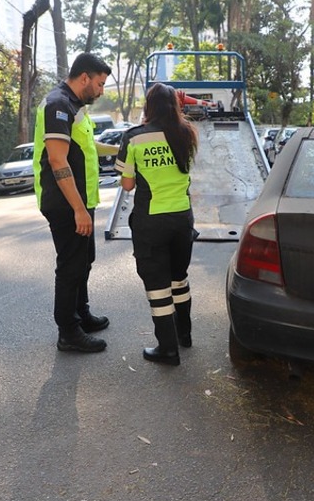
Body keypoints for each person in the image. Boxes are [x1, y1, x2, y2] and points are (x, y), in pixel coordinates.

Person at [33, 52, 114, 353]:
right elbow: (57, 160)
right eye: (100, 84)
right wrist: (79, 209)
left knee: (84, 260)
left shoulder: (73, 105)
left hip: (81, 199)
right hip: (66, 203)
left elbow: (87, 145)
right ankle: (68, 331)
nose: (101, 91)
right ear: (84, 78)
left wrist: (121, 149)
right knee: (70, 266)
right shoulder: (59, 104)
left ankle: (82, 314)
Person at [115, 82, 199, 366]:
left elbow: (127, 185)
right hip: (182, 218)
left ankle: (167, 349)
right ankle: (184, 335)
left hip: (151, 221)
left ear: (149, 107)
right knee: (179, 278)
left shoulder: (135, 137)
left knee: (158, 285)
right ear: (174, 106)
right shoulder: (187, 133)